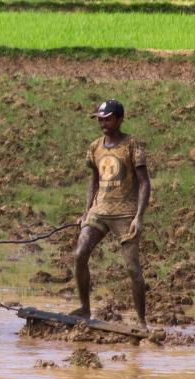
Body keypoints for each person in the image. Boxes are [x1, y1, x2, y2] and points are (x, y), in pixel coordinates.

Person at [71, 99, 151, 330]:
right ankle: (84, 308)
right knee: (79, 254)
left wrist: (138, 217)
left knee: (132, 268)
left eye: (107, 119)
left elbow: (145, 183)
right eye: (100, 119)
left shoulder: (131, 145)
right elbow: (94, 181)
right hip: (99, 211)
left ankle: (142, 321)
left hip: (125, 214)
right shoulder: (95, 147)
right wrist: (86, 212)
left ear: (119, 119)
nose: (103, 124)